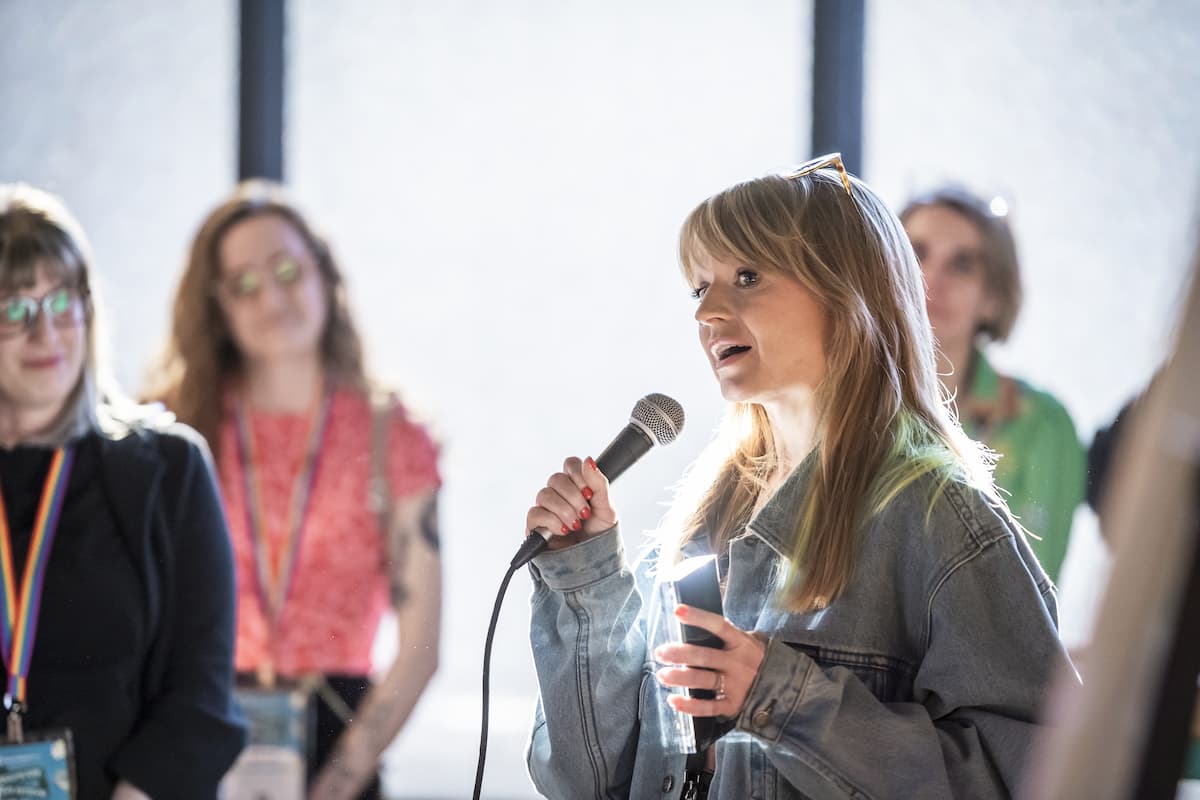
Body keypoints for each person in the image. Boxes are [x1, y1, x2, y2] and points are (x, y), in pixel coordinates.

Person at [522, 157, 1071, 799]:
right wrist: (586, 576)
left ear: (849, 292)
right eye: (701, 288)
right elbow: (582, 780)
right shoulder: (700, 525)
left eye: (747, 277)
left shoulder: (939, 519)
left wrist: (784, 699)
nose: (708, 312)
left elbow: (1037, 777)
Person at [146, 181, 441, 800]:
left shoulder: (392, 434)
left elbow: (420, 644)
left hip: (342, 735)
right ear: (217, 305)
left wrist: (339, 778)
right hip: (189, 730)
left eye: (287, 270)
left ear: (325, 276)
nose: (272, 297)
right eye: (244, 285)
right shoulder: (169, 429)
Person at [0, 183, 244, 798]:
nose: (46, 331)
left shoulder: (169, 469)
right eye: (14, 308)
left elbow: (201, 700)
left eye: (63, 301)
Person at [900, 187, 1085, 582]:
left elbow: (1034, 600)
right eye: (916, 254)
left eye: (962, 264)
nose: (931, 278)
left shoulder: (1042, 425)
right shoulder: (831, 403)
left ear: (994, 298)